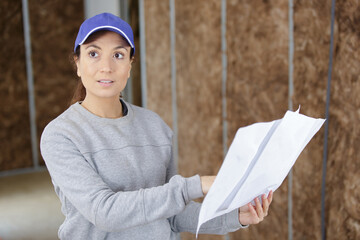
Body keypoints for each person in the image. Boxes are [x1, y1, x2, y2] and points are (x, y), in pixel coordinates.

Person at [40, 12, 273, 240]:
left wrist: (234, 217)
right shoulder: (60, 135)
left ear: (130, 65)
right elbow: (105, 212)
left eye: (118, 55)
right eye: (93, 54)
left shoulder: (153, 125)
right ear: (78, 64)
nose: (106, 67)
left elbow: (172, 213)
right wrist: (196, 185)